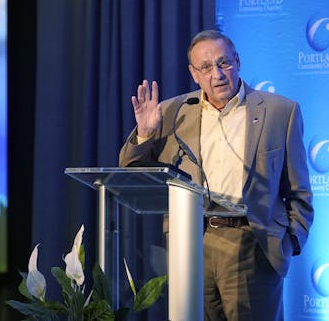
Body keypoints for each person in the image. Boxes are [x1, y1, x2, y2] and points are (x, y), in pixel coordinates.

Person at [119, 29, 313, 321]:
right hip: (191, 242)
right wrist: (145, 134)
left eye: (224, 63)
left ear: (238, 60)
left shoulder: (279, 112)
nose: (217, 74)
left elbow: (298, 191)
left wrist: (287, 242)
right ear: (194, 74)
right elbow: (130, 173)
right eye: (206, 67)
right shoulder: (173, 112)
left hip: (252, 244)